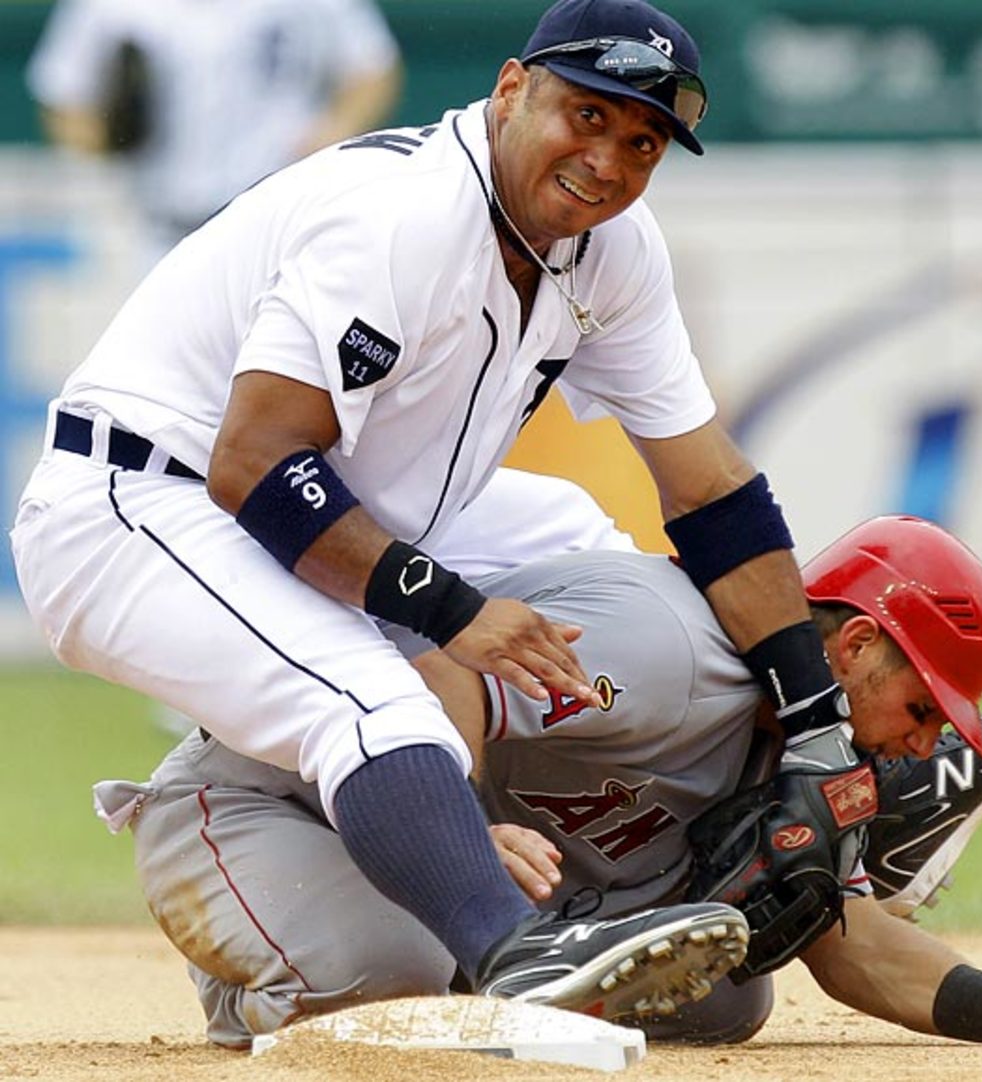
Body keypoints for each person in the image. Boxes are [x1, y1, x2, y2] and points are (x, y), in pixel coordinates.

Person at [11, 0, 859, 1029]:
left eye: (643, 140)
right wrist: (455, 610)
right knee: (374, 703)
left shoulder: (614, 250)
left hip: (349, 491)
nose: (609, 158)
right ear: (511, 89)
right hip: (141, 499)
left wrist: (819, 718)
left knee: (589, 544)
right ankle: (516, 951)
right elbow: (257, 461)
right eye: (586, 115)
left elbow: (711, 490)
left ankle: (556, 834)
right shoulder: (404, 216)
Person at [91, 507, 982, 1048]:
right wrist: (462, 829)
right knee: (401, 968)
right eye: (922, 707)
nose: (920, 742)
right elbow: (438, 677)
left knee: (727, 982)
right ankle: (249, 993)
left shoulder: (802, 742)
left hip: (443, 863)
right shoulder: (669, 652)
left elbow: (842, 934)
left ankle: (457, 950)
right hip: (261, 806)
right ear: (856, 643)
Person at [26, 0, 404, 258]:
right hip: (155, 230)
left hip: (279, 230)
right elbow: (64, 98)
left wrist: (333, 129)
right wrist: (105, 140)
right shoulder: (112, 8)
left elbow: (374, 69)